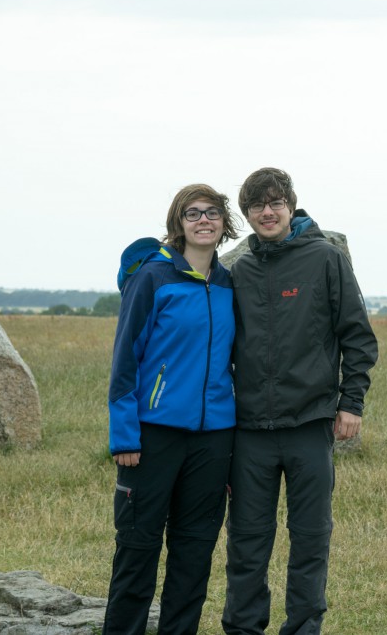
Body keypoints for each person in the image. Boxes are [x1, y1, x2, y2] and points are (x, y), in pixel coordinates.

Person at [222, 168, 379, 635]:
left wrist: (352, 403)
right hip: (250, 432)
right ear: (247, 214)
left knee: (311, 539)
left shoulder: (325, 259)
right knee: (247, 542)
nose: (266, 213)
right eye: (256, 206)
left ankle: (303, 627)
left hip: (311, 425)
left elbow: (358, 336)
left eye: (275, 203)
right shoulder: (240, 270)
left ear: (291, 205)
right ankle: (244, 628)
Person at [103, 183, 240, 635]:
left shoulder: (227, 284)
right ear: (177, 224)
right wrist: (124, 435)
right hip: (153, 433)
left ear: (224, 224)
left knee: (194, 552)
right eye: (193, 213)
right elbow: (126, 358)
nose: (204, 220)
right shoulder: (153, 278)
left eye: (212, 213)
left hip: (213, 438)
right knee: (138, 548)